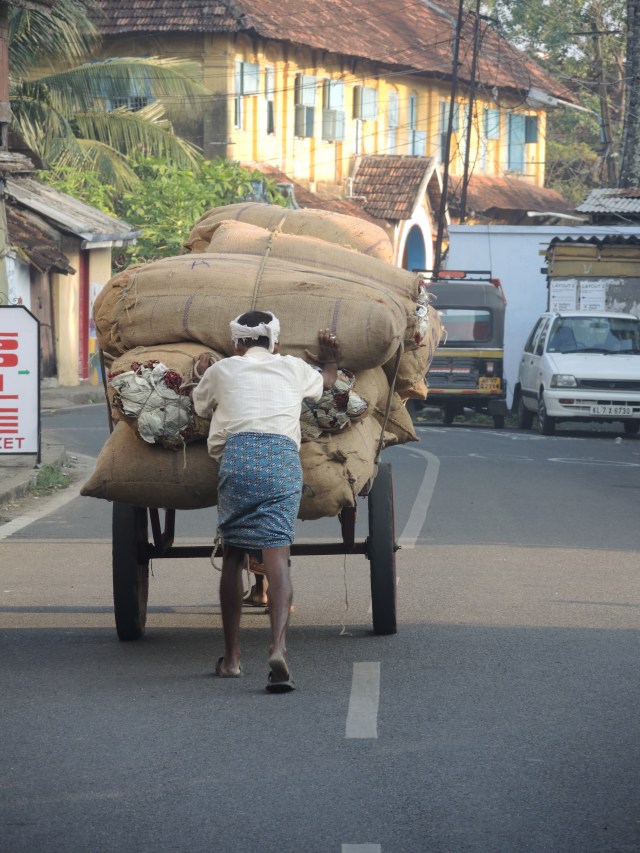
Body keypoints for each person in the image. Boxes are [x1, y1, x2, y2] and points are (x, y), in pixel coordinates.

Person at [192, 311, 340, 692]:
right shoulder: (292, 367)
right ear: (276, 341)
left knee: (233, 557)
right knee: (277, 556)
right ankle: (278, 649)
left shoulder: (223, 370)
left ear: (236, 343)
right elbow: (325, 383)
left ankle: (233, 659)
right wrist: (330, 359)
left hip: (238, 459)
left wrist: (202, 370)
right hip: (280, 461)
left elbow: (198, 407)